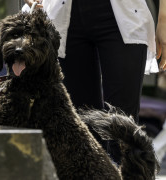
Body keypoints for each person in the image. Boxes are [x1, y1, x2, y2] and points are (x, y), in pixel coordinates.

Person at [23, 0, 166, 162]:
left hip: (124, 13)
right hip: (65, 14)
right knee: (82, 134)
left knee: (122, 131)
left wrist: (164, 18)